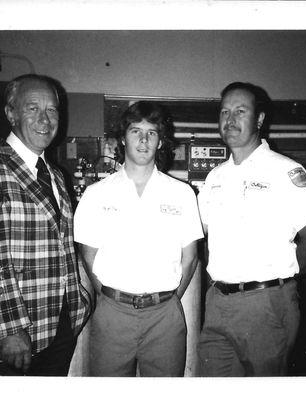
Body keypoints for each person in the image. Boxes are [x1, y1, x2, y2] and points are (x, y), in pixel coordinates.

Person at [0, 74, 93, 376]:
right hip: (11, 338)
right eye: (32, 108)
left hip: (58, 328)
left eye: (52, 110)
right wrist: (10, 329)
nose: (45, 119)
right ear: (11, 113)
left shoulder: (56, 176)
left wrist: (79, 304)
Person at [197, 82, 306, 376]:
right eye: (224, 112)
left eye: (240, 111)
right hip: (217, 303)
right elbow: (200, 232)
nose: (230, 120)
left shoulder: (283, 170)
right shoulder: (215, 177)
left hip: (265, 305)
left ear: (259, 119)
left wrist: (283, 276)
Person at [74, 101, 203, 377]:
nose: (143, 140)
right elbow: (89, 256)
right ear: (123, 138)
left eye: (151, 133)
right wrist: (113, 298)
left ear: (160, 142)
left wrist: (167, 301)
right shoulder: (96, 194)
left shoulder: (182, 194)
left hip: (165, 316)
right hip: (112, 314)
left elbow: (190, 257)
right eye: (136, 131)